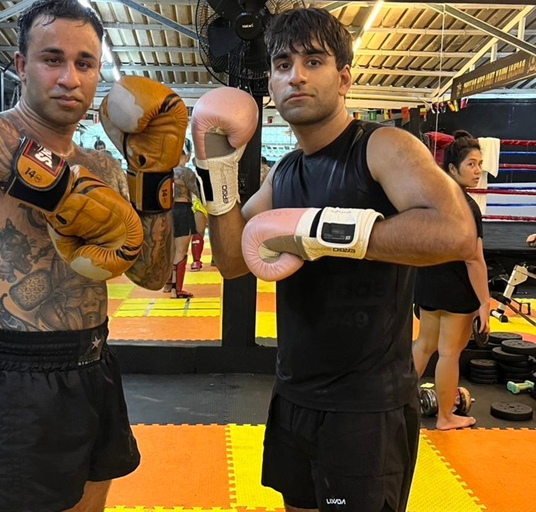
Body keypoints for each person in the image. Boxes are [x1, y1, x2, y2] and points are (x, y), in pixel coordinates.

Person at [0, 1, 183, 510]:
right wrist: (64, 193)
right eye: (52, 59)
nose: (70, 77)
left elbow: (153, 274)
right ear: (22, 66)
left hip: (96, 363)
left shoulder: (103, 168)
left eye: (85, 63)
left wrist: (154, 172)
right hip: (18, 375)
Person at [191, 8, 477, 512]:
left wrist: (319, 234)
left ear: (343, 77)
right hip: (295, 395)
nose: (295, 75)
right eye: (282, 64)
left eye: (313, 61)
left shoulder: (382, 147)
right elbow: (233, 260)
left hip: (365, 409)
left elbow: (455, 232)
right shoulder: (286, 171)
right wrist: (215, 163)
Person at [411, 131, 490, 431]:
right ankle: (446, 416)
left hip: (428, 285)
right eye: (471, 164)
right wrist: (484, 302)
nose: (478, 170)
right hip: (457, 291)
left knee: (422, 346)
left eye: (480, 164)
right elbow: (474, 260)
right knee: (448, 353)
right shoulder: (467, 208)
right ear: (452, 169)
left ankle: (393, 405)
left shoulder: (430, 199)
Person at [163, 139, 200, 297]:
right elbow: (198, 193)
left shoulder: (165, 171)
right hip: (183, 211)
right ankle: (176, 290)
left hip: (166, 213)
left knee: (169, 249)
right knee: (181, 250)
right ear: (188, 154)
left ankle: (167, 285)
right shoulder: (186, 173)